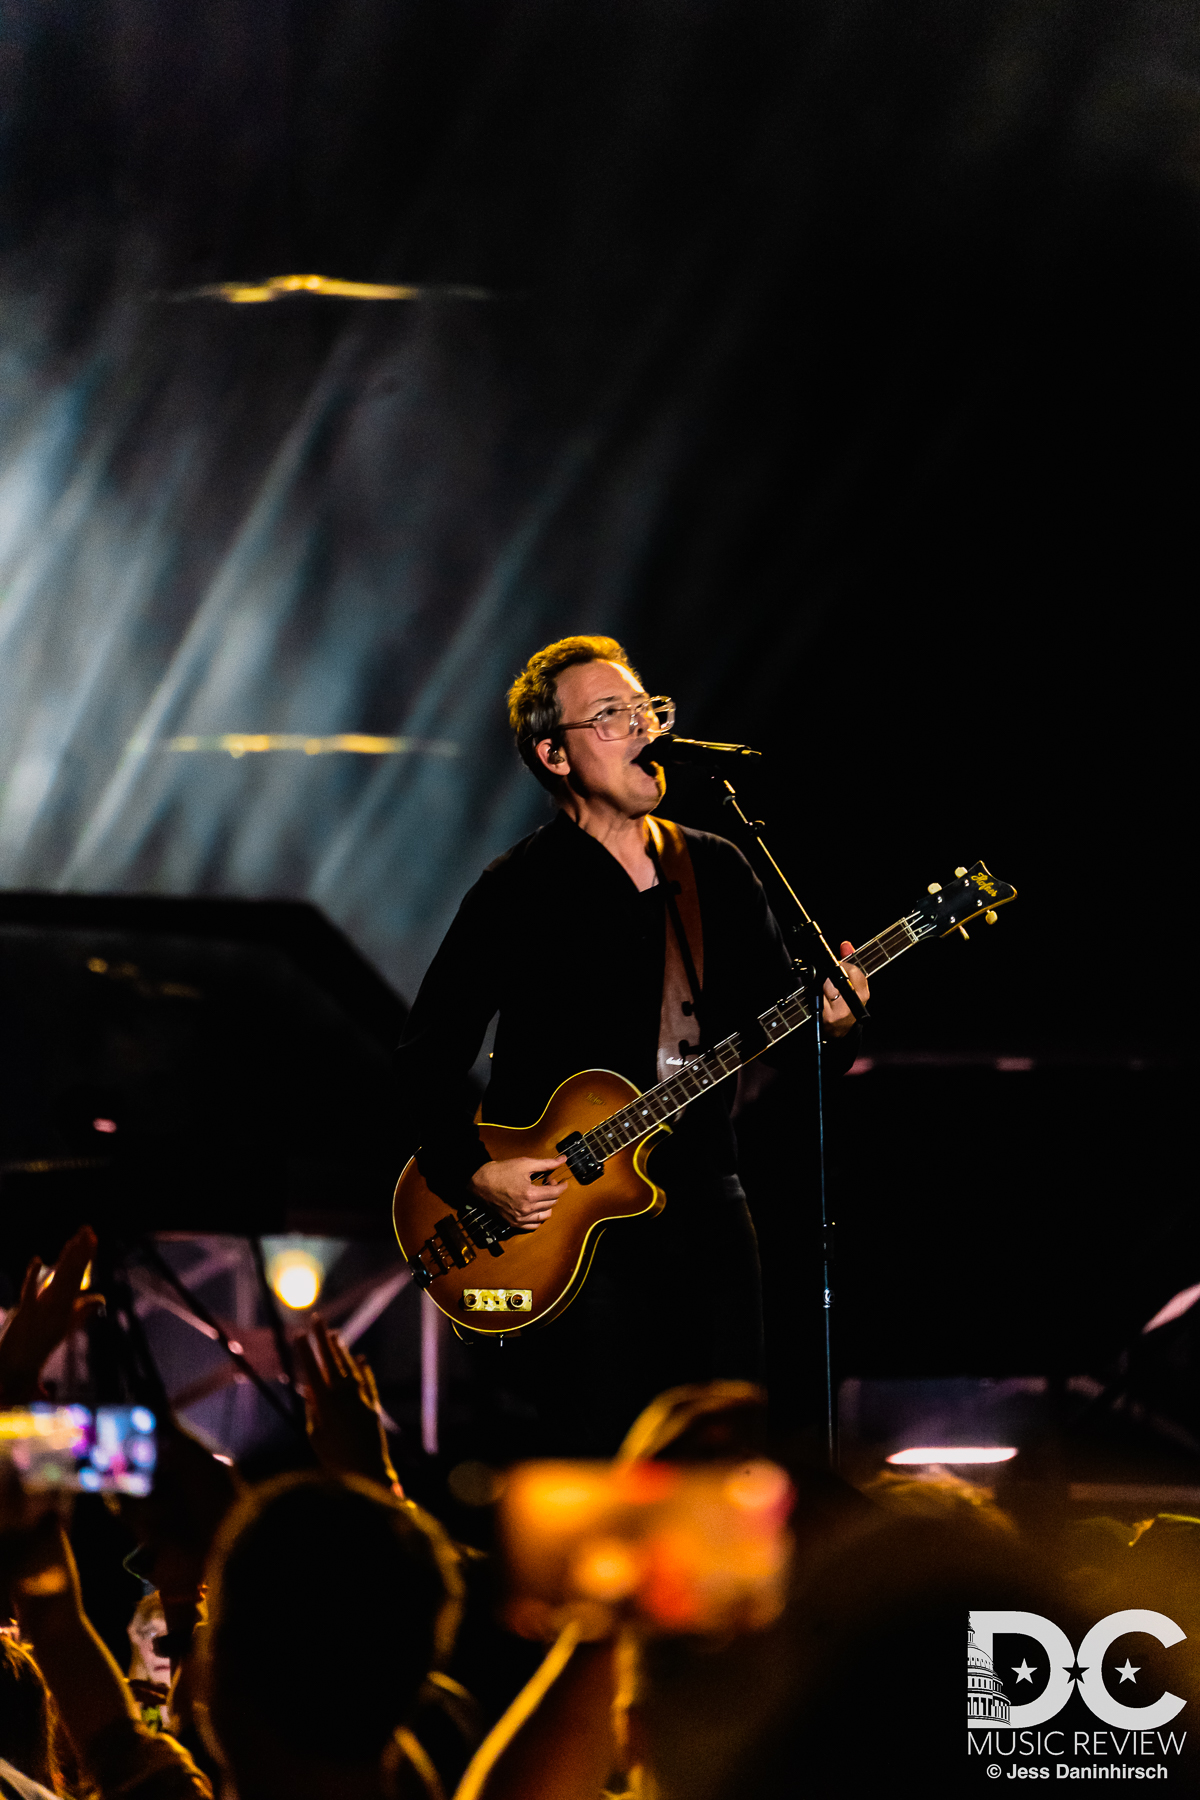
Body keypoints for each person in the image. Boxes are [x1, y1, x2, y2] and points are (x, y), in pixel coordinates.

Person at [394, 634, 868, 1454]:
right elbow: (423, 1061)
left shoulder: (715, 869)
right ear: (555, 754)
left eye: (647, 708)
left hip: (708, 1214)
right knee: (596, 1461)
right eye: (611, 715)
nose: (644, 728)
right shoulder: (516, 891)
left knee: (726, 1458)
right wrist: (475, 1172)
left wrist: (835, 1022)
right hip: (566, 1234)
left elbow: (792, 1050)